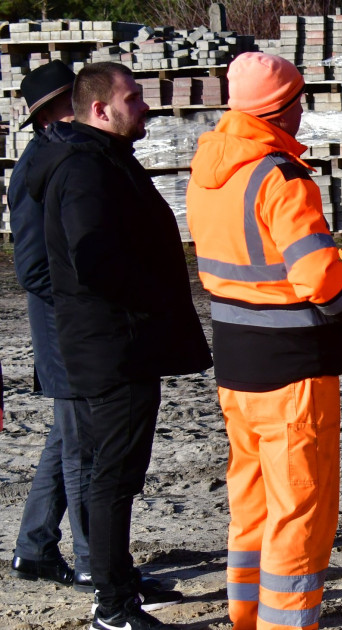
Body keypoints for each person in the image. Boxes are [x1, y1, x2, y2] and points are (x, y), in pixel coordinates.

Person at [185, 52, 342, 630]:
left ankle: (247, 616)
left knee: (252, 501)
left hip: (235, 367)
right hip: (292, 372)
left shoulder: (208, 169)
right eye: (299, 102)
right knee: (299, 512)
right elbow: (317, 274)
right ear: (283, 109)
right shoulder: (279, 177)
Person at [26, 61, 212, 630]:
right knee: (114, 477)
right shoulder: (85, 169)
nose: (145, 105)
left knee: (112, 474)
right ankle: (112, 606)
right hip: (114, 348)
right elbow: (93, 260)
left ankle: (119, 583)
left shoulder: (103, 159)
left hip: (115, 343)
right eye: (133, 98)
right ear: (100, 110)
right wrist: (151, 300)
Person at [8, 60, 92, 593]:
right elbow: (32, 268)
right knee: (82, 445)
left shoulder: (60, 158)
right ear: (49, 115)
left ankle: (35, 546)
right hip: (63, 328)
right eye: (71, 102)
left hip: (67, 325)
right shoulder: (36, 170)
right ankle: (92, 562)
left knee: (66, 437)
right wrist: (84, 308)